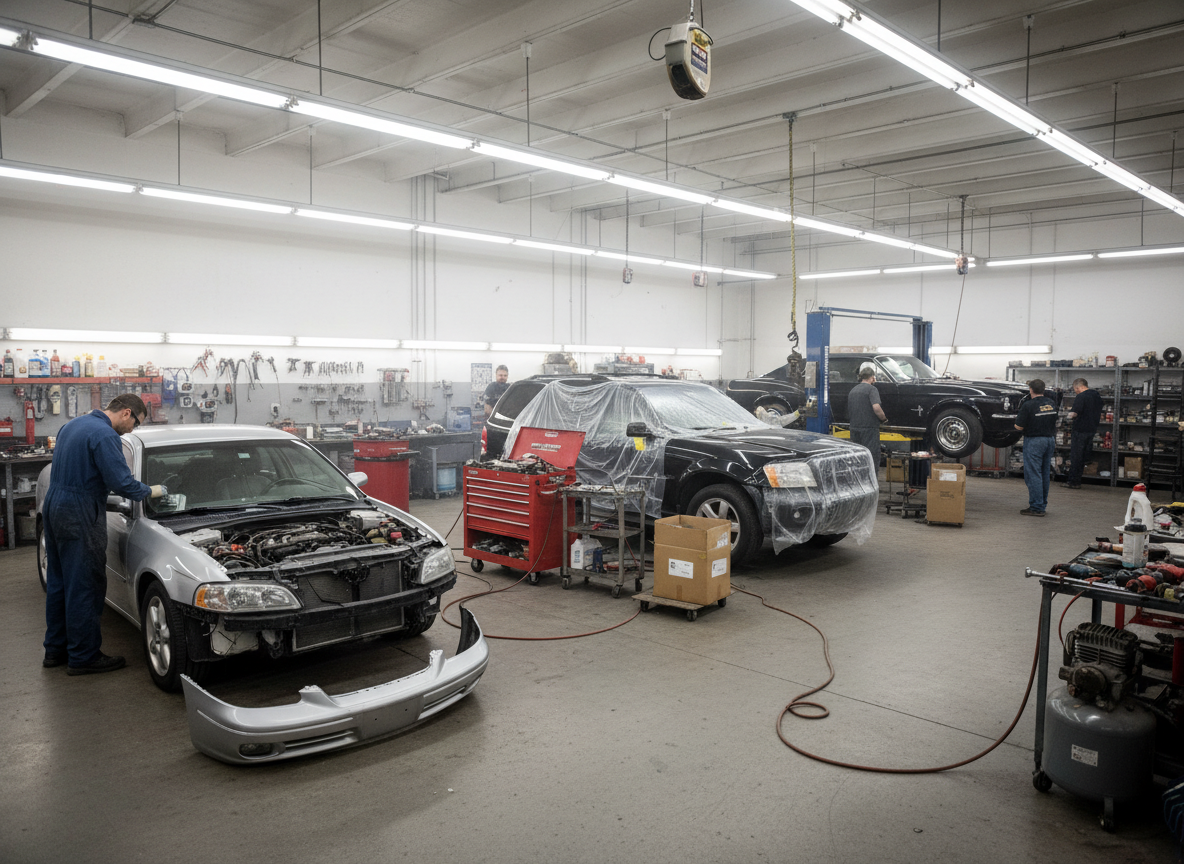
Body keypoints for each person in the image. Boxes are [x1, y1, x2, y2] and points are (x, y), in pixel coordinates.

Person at [43, 394, 165, 674]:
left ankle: (55, 650)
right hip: (79, 510)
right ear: (126, 413)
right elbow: (121, 483)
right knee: (85, 584)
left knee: (60, 582)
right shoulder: (105, 436)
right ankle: (83, 657)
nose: (132, 430)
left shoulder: (73, 425)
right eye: (135, 423)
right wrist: (152, 491)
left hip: (55, 504)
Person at [1014, 378, 1057, 516]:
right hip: (1050, 440)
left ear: (1030, 390)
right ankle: (1042, 504)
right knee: (1044, 473)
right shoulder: (1051, 403)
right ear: (1043, 390)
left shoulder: (1028, 405)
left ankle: (1037, 507)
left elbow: (1019, 426)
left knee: (1033, 474)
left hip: (1035, 442)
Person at [1062, 377, 1103, 489]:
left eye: (1075, 389)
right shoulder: (1096, 395)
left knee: (1076, 457)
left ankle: (1073, 482)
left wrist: (1066, 416)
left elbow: (1074, 413)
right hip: (1091, 430)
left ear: (1078, 387)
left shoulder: (1081, 396)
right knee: (1084, 456)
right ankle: (1077, 480)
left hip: (1080, 430)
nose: (1075, 391)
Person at [847, 366, 887, 458]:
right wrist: (884, 419)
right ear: (872, 377)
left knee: (857, 456)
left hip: (854, 428)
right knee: (871, 456)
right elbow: (876, 408)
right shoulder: (872, 390)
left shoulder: (853, 390)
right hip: (869, 429)